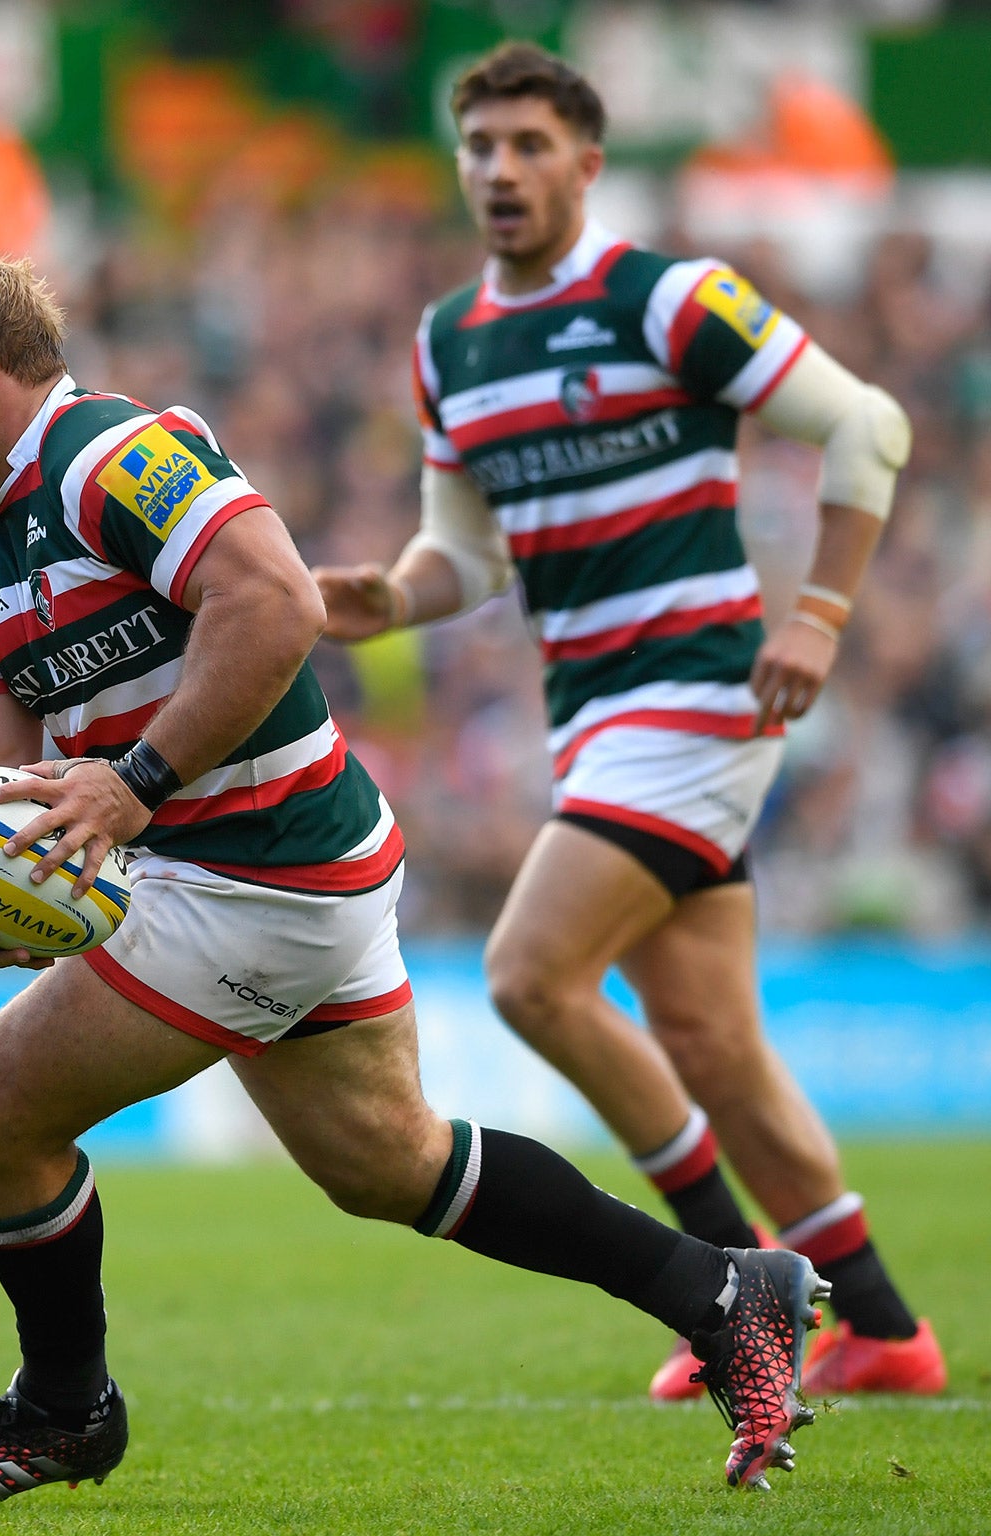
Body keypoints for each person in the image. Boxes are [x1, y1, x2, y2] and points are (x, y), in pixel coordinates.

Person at [0, 246, 830, 1509]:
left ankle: (62, 1412)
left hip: (259, 869)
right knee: (385, 1164)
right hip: (260, 874)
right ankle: (721, 1290)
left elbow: (275, 602)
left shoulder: (111, 456)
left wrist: (130, 782)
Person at [311, 42, 944, 1401]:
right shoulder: (450, 345)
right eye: (479, 148)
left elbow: (868, 428)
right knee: (714, 1042)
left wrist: (821, 612)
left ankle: (732, 1288)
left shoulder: (667, 301)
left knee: (533, 975)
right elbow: (466, 559)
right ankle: (884, 1329)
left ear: (587, 164)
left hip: (708, 696)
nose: (500, 171)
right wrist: (387, 599)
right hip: (593, 716)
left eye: (530, 146)